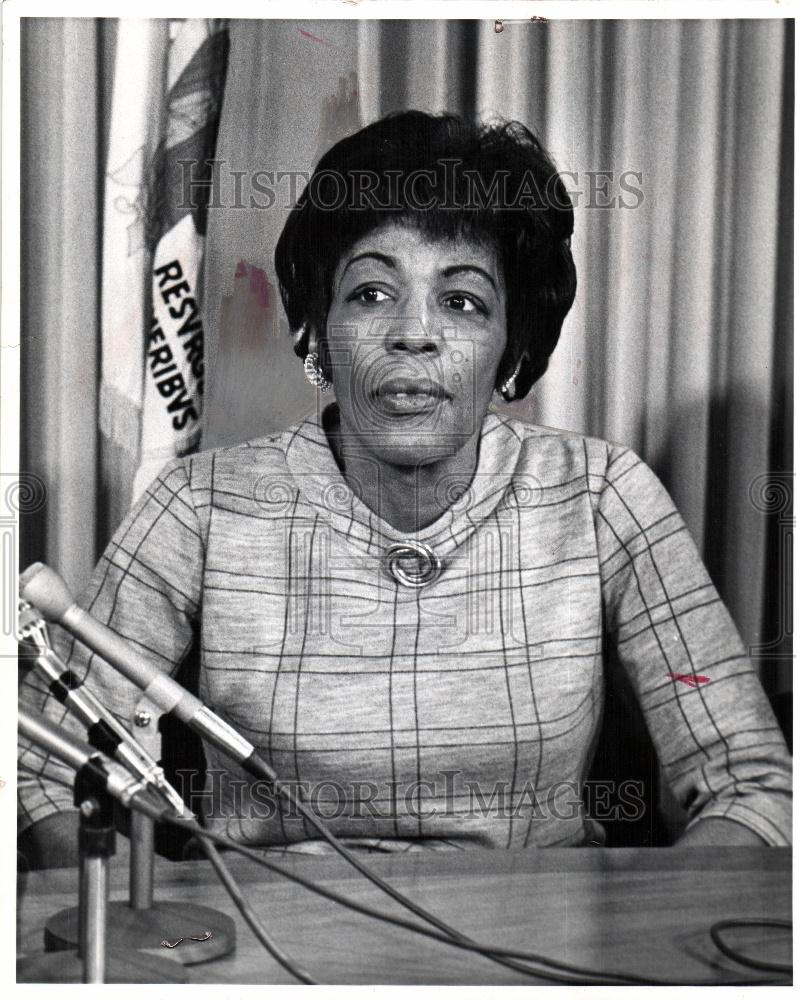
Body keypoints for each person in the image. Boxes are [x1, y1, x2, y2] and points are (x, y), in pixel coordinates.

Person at [18, 111, 792, 869]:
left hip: (536, 957)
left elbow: (751, 787)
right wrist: (140, 932)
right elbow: (51, 773)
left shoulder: (601, 495)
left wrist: (638, 951)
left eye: (461, 302)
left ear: (512, 353)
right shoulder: (198, 506)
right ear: (315, 337)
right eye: (372, 294)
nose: (412, 334)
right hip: (270, 954)